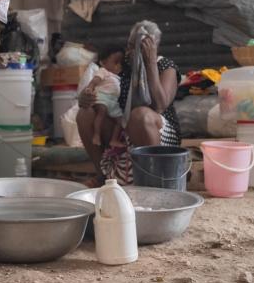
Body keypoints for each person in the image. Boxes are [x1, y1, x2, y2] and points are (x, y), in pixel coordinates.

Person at [77, 21, 180, 185]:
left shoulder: (165, 66)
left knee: (140, 115)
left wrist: (150, 63)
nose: (131, 52)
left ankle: (154, 183)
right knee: (85, 114)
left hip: (157, 135)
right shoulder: (122, 64)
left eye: (139, 47)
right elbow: (101, 78)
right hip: (122, 131)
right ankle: (103, 176)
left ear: (154, 47)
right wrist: (85, 97)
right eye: (130, 46)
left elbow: (160, 105)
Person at [89, 48, 125, 149]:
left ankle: (114, 140)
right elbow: (95, 81)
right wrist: (90, 88)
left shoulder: (119, 78)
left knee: (121, 121)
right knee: (101, 111)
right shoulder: (103, 71)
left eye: (120, 63)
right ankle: (96, 135)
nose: (119, 65)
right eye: (115, 62)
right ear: (103, 63)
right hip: (102, 97)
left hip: (113, 102)